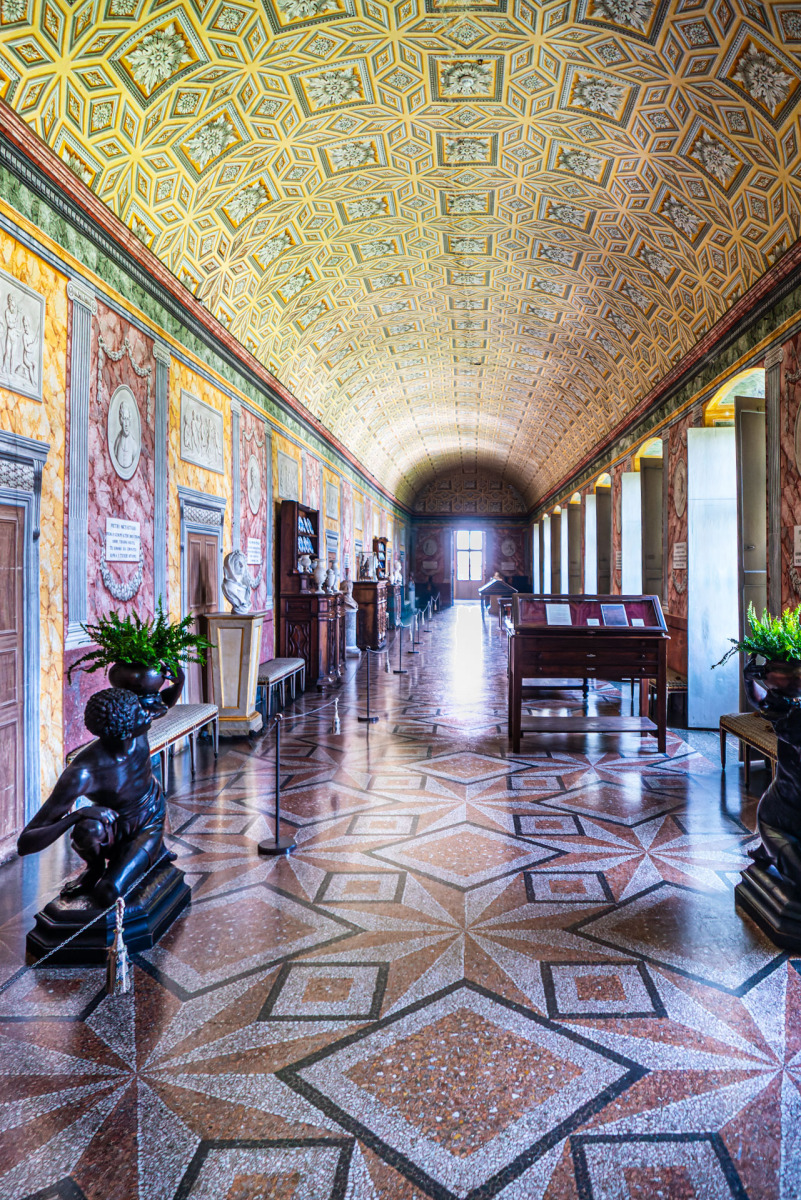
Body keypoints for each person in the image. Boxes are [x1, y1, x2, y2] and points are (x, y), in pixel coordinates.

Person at [17, 673, 183, 906]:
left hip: (149, 820)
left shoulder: (136, 727)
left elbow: (165, 702)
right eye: (140, 712)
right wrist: (78, 815)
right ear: (124, 732)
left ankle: (152, 851)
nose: (148, 713)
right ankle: (94, 868)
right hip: (112, 824)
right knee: (87, 828)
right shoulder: (83, 772)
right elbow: (25, 843)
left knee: (107, 892)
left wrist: (179, 680)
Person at [113, 398, 138, 471]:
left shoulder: (134, 445)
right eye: (124, 419)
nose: (126, 424)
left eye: (127, 419)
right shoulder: (117, 442)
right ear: (121, 421)